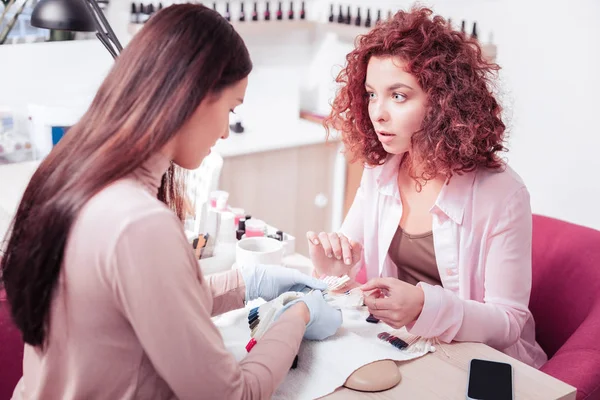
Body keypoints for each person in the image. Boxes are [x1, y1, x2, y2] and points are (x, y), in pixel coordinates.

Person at [0, 5, 342, 399]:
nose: (227, 132)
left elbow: (147, 304)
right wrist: (297, 316)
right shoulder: (138, 223)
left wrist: (247, 283)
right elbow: (231, 395)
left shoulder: (72, 173)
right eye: (230, 109)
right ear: (193, 96)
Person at [306, 7, 547, 368]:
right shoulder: (380, 170)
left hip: (474, 359)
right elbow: (351, 270)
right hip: (403, 346)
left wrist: (423, 305)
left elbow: (509, 322)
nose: (378, 112)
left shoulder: (503, 195)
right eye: (372, 94)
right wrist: (333, 269)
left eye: (398, 96)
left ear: (443, 102)